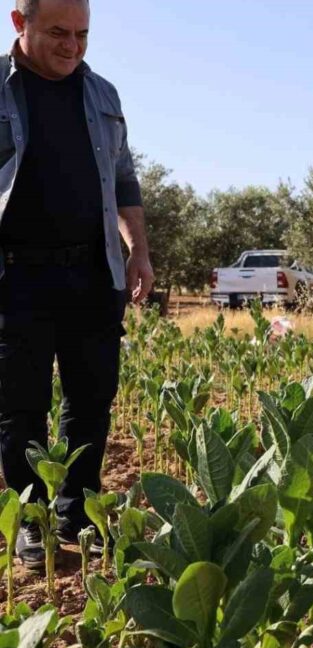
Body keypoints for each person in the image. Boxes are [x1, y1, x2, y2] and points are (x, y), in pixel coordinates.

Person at [1, 0, 153, 570]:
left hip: (93, 272)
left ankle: (77, 515)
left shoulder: (103, 95)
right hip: (15, 276)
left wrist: (138, 250)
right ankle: (32, 518)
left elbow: (124, 179)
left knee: (92, 399)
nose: (73, 46)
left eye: (83, 34)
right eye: (59, 33)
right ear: (21, 24)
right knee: (20, 405)